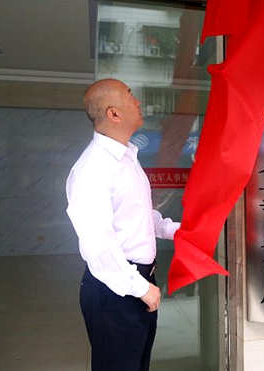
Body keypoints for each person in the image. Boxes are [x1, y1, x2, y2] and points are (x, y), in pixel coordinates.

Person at [66, 78, 180, 371]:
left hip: (136, 281)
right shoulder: (93, 168)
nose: (138, 102)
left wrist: (173, 230)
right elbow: (97, 244)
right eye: (130, 97)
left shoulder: (127, 157)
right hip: (116, 289)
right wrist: (139, 287)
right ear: (113, 114)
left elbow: (136, 215)